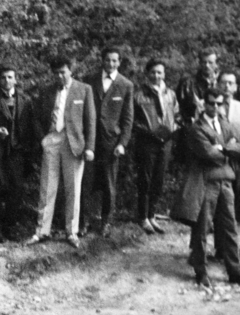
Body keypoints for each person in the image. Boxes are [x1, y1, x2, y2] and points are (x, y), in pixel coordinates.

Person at [173, 87, 240, 289]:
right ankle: (201, 271)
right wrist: (228, 149)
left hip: (226, 182)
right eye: (211, 103)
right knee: (202, 228)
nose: (215, 107)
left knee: (230, 227)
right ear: (204, 104)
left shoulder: (226, 124)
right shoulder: (197, 128)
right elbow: (208, 154)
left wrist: (223, 148)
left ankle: (235, 271)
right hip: (206, 182)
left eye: (218, 103)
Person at [25, 55, 95, 247]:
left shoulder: (84, 89)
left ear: (70, 70)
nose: (59, 76)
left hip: (74, 143)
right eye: (56, 73)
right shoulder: (47, 91)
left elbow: (90, 121)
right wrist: (43, 138)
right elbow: (37, 117)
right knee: (47, 187)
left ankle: (71, 232)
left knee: (73, 189)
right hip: (52, 140)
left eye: (63, 72)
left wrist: (89, 147)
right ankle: (41, 231)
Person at [87, 45, 136, 232]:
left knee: (109, 184)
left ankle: (106, 221)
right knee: (88, 181)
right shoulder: (90, 81)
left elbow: (128, 119)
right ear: (102, 60)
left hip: (111, 142)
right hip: (91, 140)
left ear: (119, 62)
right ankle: (85, 220)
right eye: (107, 60)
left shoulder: (125, 85)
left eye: (114, 60)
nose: (110, 63)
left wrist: (122, 143)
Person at [132, 58, 177, 233]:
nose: (156, 75)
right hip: (147, 142)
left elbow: (177, 116)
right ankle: (142, 216)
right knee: (145, 179)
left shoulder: (170, 94)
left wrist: (171, 130)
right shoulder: (139, 94)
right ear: (147, 74)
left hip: (166, 143)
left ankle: (152, 214)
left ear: (164, 74)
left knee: (159, 179)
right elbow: (133, 121)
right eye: (153, 72)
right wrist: (150, 132)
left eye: (159, 72)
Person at [0, 66, 29, 242]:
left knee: (16, 189)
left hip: (17, 151)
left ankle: (10, 226)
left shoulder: (25, 100)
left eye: (10, 77)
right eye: (3, 77)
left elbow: (30, 126)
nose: (7, 81)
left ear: (16, 79)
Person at [175, 48, 223, 125]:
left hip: (219, 126)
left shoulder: (222, 82)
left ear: (216, 64)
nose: (207, 65)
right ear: (200, 63)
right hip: (194, 127)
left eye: (210, 62)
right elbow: (178, 109)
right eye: (204, 62)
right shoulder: (188, 83)